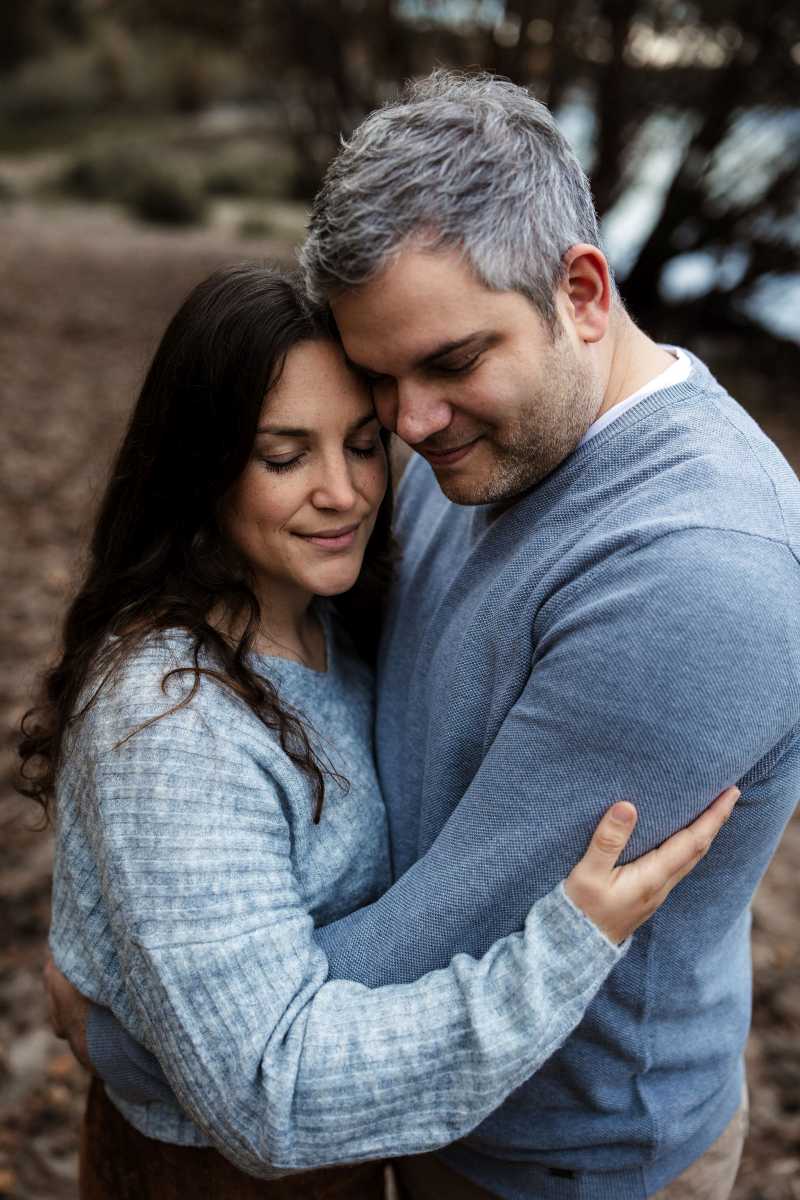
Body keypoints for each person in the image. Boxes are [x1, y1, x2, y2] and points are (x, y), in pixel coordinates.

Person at [25, 263, 734, 1200]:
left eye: (363, 446)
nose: (344, 494)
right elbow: (269, 1093)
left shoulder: (328, 616)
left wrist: (131, 1034)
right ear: (200, 468)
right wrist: (565, 949)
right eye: (284, 457)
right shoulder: (170, 724)